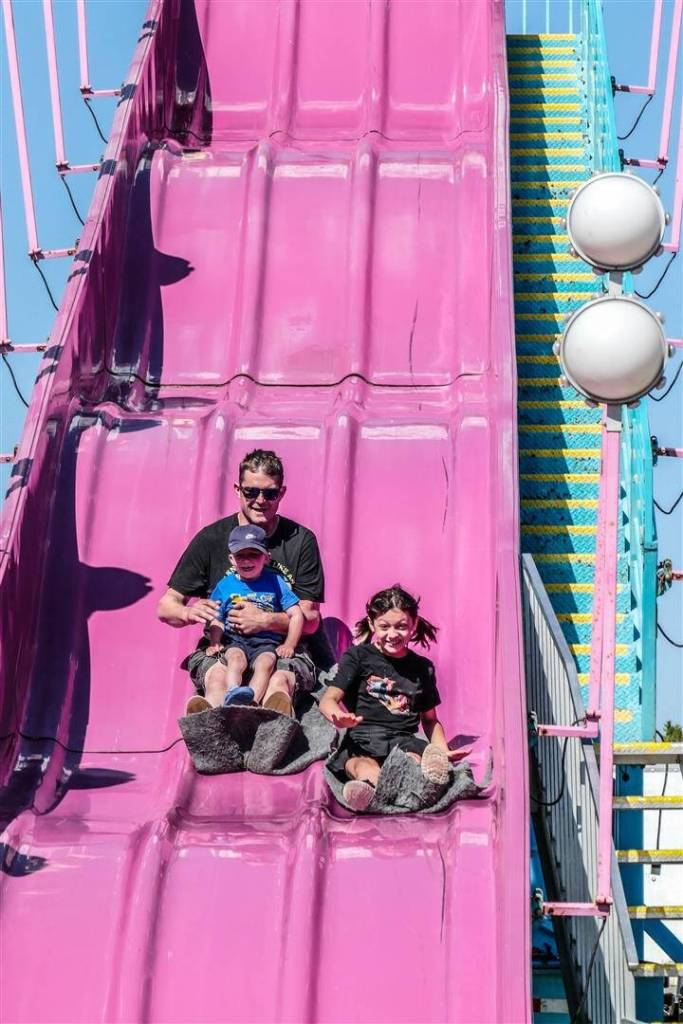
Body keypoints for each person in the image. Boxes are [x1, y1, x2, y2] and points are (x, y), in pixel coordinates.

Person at [158, 449, 326, 718]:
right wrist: (187, 612)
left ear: (281, 493)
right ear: (237, 490)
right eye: (251, 492)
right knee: (218, 678)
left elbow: (311, 620)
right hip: (226, 643)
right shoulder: (211, 539)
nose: (260, 500)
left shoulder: (300, 540)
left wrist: (264, 620)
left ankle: (273, 728)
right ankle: (212, 725)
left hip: (280, 646)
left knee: (279, 681)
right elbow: (166, 606)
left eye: (270, 493)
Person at [320, 584, 461, 812]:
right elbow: (329, 698)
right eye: (384, 626)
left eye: (402, 626)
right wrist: (336, 715)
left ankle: (411, 780)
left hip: (403, 740)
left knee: (415, 760)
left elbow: (430, 720)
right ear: (371, 623)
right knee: (362, 766)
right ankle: (373, 788)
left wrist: (441, 749)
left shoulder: (422, 668)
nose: (392, 634)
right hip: (363, 738)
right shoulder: (358, 656)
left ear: (414, 625)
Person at [188, 524, 305, 713]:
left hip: (266, 641)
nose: (247, 561)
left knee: (265, 663)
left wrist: (290, 644)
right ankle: (233, 692)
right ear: (231, 559)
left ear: (266, 557)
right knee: (235, 659)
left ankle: (251, 703)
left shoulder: (276, 582)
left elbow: (296, 614)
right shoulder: (225, 585)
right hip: (236, 639)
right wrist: (215, 641)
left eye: (254, 555)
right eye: (241, 555)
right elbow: (216, 618)